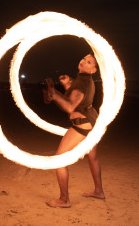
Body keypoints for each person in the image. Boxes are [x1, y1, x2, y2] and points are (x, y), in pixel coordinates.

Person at [43, 54, 105, 208]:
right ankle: (99, 191)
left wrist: (55, 95)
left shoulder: (82, 82)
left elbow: (70, 106)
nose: (84, 62)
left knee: (59, 160)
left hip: (81, 126)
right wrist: (66, 85)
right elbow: (78, 100)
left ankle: (64, 200)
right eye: (84, 59)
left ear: (93, 70)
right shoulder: (85, 80)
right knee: (93, 158)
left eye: (89, 62)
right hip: (91, 123)